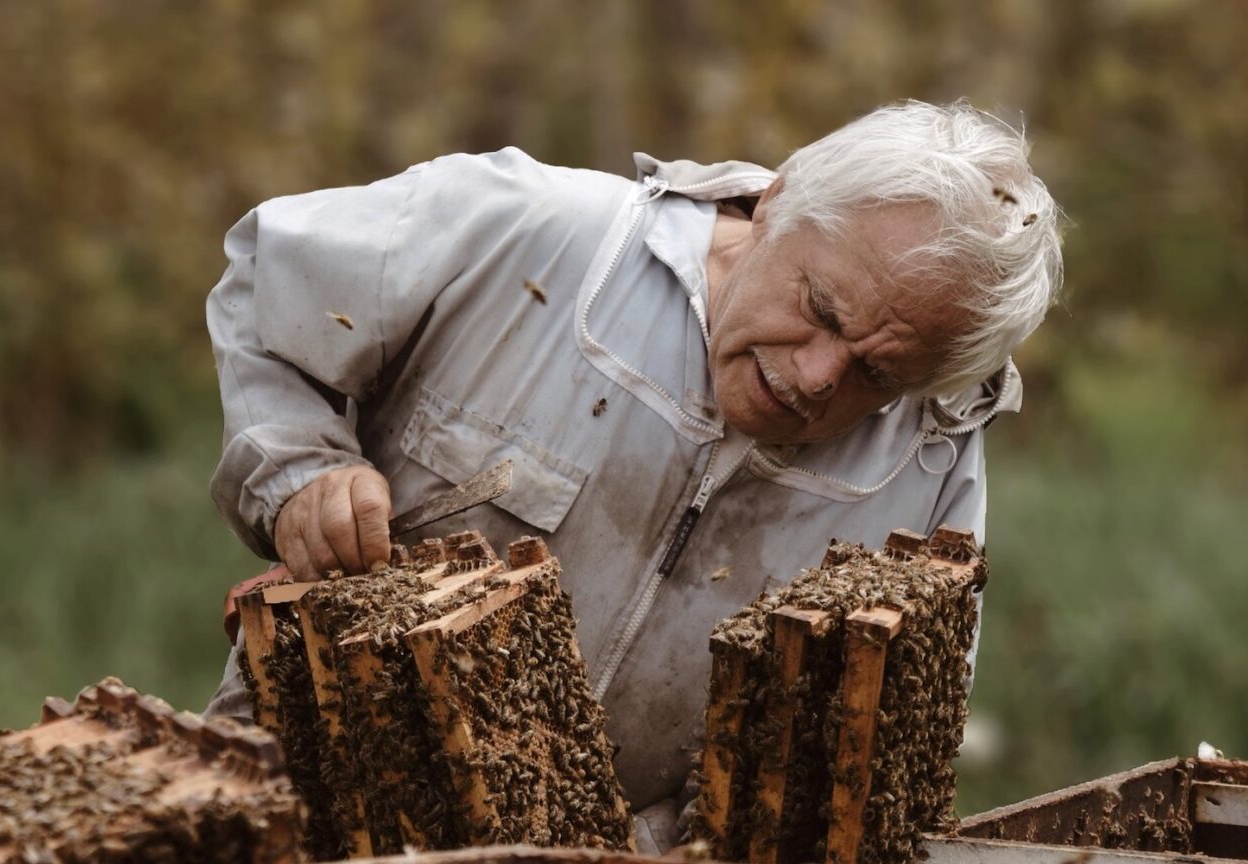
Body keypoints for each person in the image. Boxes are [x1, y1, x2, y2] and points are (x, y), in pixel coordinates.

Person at [202, 100, 1062, 851]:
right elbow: (268, 287)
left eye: (878, 376)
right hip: (299, 801)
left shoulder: (932, 461)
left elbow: (864, 761)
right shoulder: (527, 227)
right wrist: (301, 472)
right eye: (821, 311)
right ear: (779, 200)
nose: (815, 378)